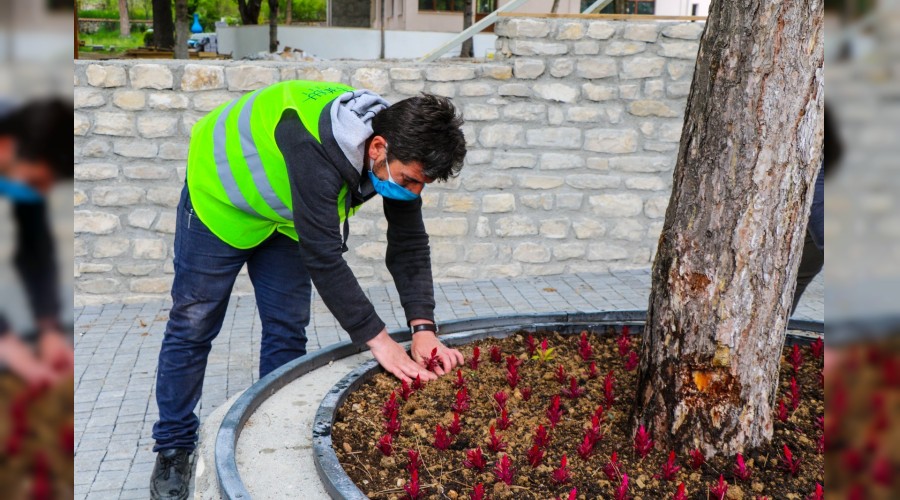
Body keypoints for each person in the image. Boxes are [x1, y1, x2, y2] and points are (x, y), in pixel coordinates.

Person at [150, 81, 467, 500]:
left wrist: (423, 327)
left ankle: (269, 432)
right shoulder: (315, 149)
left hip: (285, 217)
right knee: (194, 324)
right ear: (377, 148)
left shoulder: (401, 141)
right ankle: (174, 445)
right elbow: (324, 258)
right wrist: (381, 342)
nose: (413, 193)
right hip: (221, 200)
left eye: (421, 185)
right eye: (409, 180)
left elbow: (408, 245)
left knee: (286, 327)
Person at [0, 99, 74, 387]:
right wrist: (6, 341)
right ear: (6, 146)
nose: (38, 192)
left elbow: (35, 248)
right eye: (35, 182)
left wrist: (49, 327)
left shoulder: (27, 144)